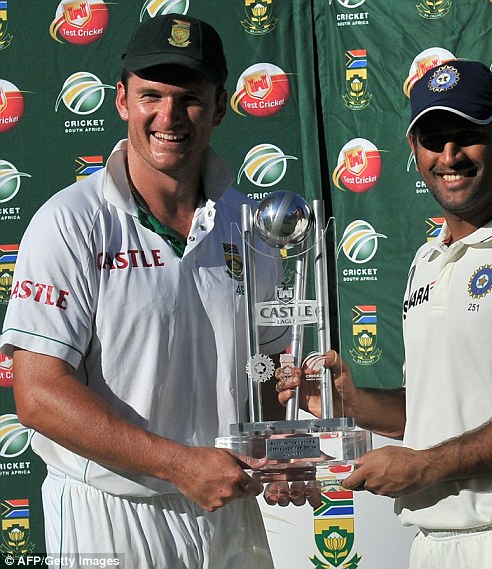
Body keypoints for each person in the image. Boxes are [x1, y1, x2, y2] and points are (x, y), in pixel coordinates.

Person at [277, 60, 492, 568]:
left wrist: (423, 468)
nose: (449, 155)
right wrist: (351, 403)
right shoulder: (427, 260)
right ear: (414, 151)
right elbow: (436, 411)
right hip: (435, 543)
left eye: (467, 135)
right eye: (433, 139)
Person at [1, 14, 296, 568]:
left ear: (220, 107)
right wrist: (177, 463)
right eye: (150, 95)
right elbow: (37, 395)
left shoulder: (250, 226)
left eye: (188, 98)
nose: (168, 116)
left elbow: (267, 376)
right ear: (121, 101)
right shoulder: (71, 221)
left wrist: (277, 449)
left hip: (225, 508)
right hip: (110, 511)